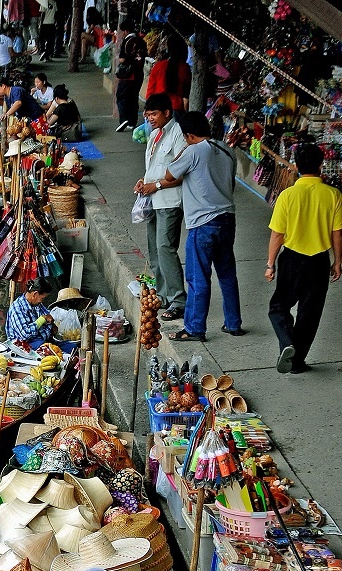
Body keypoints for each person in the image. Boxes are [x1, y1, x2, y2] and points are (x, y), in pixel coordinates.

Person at [162, 112, 242, 342]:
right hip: (227, 218)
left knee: (198, 278)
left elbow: (170, 174)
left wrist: (182, 151)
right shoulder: (226, 150)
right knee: (227, 274)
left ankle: (194, 328)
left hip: (203, 222)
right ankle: (233, 323)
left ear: (188, 135)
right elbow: (230, 183)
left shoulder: (194, 151)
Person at [265, 144, 342, 374]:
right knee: (310, 313)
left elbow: (277, 234)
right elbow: (337, 233)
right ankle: (297, 363)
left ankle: (287, 342)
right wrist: (338, 261)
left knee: (278, 307)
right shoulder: (333, 195)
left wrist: (270, 264)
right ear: (321, 166)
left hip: (291, 259)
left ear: (296, 166)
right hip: (318, 261)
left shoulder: (287, 195)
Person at [134, 93, 188, 321]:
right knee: (154, 249)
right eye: (148, 114)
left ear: (167, 112)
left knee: (165, 248)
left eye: (154, 114)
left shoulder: (179, 135)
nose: (150, 118)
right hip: (152, 201)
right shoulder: (154, 135)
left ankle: (179, 300)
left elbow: (181, 173)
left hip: (169, 201)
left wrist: (155, 185)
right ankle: (163, 294)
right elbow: (153, 168)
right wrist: (143, 181)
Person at [145, 36, 191, 121]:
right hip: (177, 108)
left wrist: (148, 109)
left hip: (158, 108)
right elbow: (186, 96)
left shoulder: (158, 66)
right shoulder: (185, 68)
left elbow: (150, 91)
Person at [115, 20, 148, 131]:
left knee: (121, 96)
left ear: (126, 31)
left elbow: (122, 59)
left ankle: (124, 119)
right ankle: (132, 121)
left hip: (128, 75)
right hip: (139, 74)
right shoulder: (141, 41)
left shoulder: (127, 41)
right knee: (133, 97)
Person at [6, 278, 56, 347]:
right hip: (22, 345)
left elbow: (48, 317)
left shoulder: (37, 304)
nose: (42, 301)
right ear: (35, 294)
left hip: (42, 340)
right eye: (42, 298)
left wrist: (52, 325)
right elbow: (25, 334)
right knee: (42, 344)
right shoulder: (17, 307)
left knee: (70, 346)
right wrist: (42, 319)